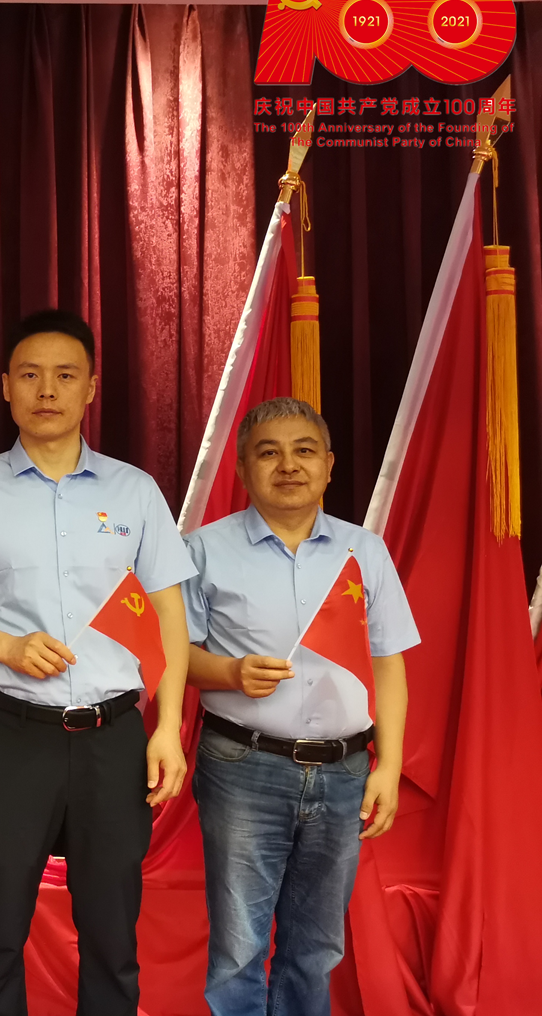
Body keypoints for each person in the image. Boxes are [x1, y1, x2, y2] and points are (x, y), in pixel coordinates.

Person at [0, 309, 195, 1016]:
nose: (47, 390)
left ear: (91, 388)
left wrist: (167, 728)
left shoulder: (134, 491)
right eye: (31, 375)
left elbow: (169, 613)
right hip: (11, 736)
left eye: (65, 375)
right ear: (6, 387)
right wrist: (6, 647)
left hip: (113, 736)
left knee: (111, 928)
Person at [183, 397, 416, 1016]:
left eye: (304, 451)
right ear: (242, 468)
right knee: (239, 946)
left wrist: (389, 766)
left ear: (329, 465)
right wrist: (229, 672)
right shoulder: (203, 550)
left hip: (344, 772)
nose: (288, 465)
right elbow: (172, 658)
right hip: (243, 767)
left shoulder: (364, 552)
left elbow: (389, 662)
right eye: (269, 453)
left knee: (317, 946)